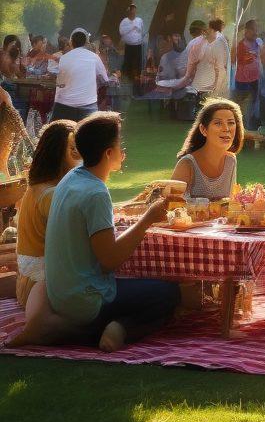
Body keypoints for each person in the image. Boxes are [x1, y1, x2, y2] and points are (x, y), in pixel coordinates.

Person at [12, 112, 182, 351]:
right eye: (119, 144)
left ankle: (109, 326)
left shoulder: (71, 177)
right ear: (108, 154)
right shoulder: (95, 192)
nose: (123, 150)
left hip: (60, 292)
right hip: (84, 299)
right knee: (168, 293)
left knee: (143, 288)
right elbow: (109, 260)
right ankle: (110, 328)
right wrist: (148, 219)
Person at [15, 120, 80, 308]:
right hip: (42, 293)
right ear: (57, 155)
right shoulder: (52, 195)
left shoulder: (38, 187)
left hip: (30, 286)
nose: (83, 157)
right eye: (74, 151)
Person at [172, 99, 243, 197]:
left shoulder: (231, 160)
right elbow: (170, 205)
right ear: (203, 129)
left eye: (231, 123)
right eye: (218, 123)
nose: (226, 129)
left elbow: (231, 202)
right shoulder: (187, 164)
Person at [51, 30, 108, 122]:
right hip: (88, 105)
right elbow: (105, 79)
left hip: (63, 105)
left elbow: (59, 79)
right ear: (86, 43)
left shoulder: (63, 58)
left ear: (71, 43)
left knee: (58, 133)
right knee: (89, 135)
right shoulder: (94, 57)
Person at [233, 19, 261, 128]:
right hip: (242, 80)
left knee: (253, 104)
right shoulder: (240, 44)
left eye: (256, 30)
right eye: (253, 30)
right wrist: (250, 56)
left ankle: (250, 127)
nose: (255, 32)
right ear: (247, 31)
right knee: (241, 106)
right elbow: (239, 60)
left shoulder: (258, 43)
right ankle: (240, 128)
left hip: (255, 79)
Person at [118, 4, 145, 82]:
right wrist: (132, 27)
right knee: (128, 61)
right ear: (129, 11)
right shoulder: (124, 21)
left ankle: (137, 77)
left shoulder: (139, 20)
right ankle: (128, 77)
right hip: (128, 45)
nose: (133, 12)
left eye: (134, 10)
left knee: (137, 61)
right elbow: (121, 32)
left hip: (138, 45)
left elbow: (142, 31)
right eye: (131, 10)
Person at [207, 18, 231, 96]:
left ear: (211, 29)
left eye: (209, 29)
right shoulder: (220, 39)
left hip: (219, 81)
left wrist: (216, 89)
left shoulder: (218, 42)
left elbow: (221, 67)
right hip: (219, 78)